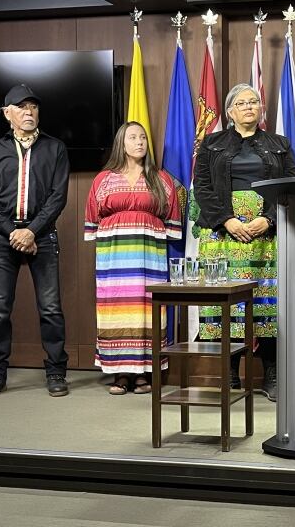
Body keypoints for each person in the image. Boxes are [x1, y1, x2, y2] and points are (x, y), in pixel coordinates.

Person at [193, 83, 295, 402]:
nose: (250, 106)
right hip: (223, 233)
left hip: (266, 233)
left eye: (254, 101)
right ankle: (229, 374)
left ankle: (271, 375)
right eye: (242, 103)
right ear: (229, 112)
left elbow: (291, 183)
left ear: (261, 109)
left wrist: (268, 218)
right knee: (226, 305)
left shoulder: (278, 144)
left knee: (269, 304)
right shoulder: (211, 144)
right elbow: (202, 186)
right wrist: (227, 219)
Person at [0, 84, 69, 399]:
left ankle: (56, 372)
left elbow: (58, 197)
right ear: (8, 114)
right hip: (3, 239)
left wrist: (32, 231)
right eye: (20, 107)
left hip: (42, 235)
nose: (28, 112)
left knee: (51, 308)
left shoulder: (55, 148)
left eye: (32, 107)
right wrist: (13, 233)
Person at [84, 122, 182, 394]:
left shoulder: (161, 178)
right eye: (132, 137)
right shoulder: (103, 179)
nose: (139, 142)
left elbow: (172, 219)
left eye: (143, 137)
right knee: (116, 308)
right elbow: (92, 220)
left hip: (149, 256)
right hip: (113, 257)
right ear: (121, 143)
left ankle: (143, 373)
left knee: (147, 308)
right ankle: (120, 374)